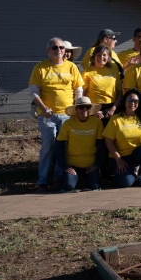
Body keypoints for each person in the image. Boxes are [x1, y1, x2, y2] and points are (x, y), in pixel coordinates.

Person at [30, 37, 84, 191]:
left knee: (64, 147)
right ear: (48, 50)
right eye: (55, 48)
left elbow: (78, 89)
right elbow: (33, 91)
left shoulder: (72, 67)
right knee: (48, 146)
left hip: (68, 115)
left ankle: (60, 178)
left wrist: (76, 108)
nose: (59, 50)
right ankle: (43, 180)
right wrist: (43, 108)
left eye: (61, 47)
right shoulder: (40, 68)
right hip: (48, 115)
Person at [103, 89, 141, 187]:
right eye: (130, 100)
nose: (133, 103)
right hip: (120, 156)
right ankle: (129, 173)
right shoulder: (116, 119)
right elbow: (108, 142)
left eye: (136, 101)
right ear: (124, 102)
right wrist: (119, 160)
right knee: (127, 183)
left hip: (137, 153)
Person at [55, 97, 105, 192]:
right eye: (81, 107)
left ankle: (89, 180)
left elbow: (101, 146)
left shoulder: (97, 122)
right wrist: (65, 166)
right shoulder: (68, 123)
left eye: (87, 107)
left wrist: (96, 165)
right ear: (76, 109)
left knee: (94, 186)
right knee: (69, 186)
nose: (85, 109)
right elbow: (59, 146)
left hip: (90, 164)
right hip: (72, 164)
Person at [83, 45, 122, 127]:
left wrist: (113, 109)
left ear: (108, 57)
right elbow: (82, 95)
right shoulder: (87, 72)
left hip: (111, 108)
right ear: (93, 57)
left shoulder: (114, 70)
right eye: (98, 55)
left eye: (104, 55)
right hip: (93, 107)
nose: (101, 57)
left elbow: (119, 92)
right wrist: (93, 110)